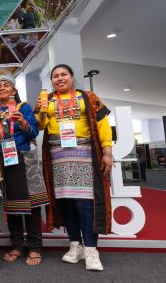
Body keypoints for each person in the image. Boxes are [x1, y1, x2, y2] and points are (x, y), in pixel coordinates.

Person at [35, 64, 113, 271]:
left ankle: (91, 250)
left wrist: (107, 152)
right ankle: (74, 245)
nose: (59, 79)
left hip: (85, 155)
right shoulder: (47, 100)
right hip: (58, 157)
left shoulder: (87, 96)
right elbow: (40, 126)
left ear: (72, 77)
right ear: (51, 81)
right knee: (67, 203)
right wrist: (42, 112)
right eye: (55, 76)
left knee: (85, 203)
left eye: (64, 75)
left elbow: (103, 123)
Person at [0, 74, 48, 266]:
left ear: (14, 90)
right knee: (12, 206)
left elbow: (34, 132)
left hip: (26, 157)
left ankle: (34, 248)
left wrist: (22, 121)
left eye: (6, 85)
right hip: (5, 160)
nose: (2, 88)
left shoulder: (24, 108)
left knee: (32, 205)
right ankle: (17, 246)